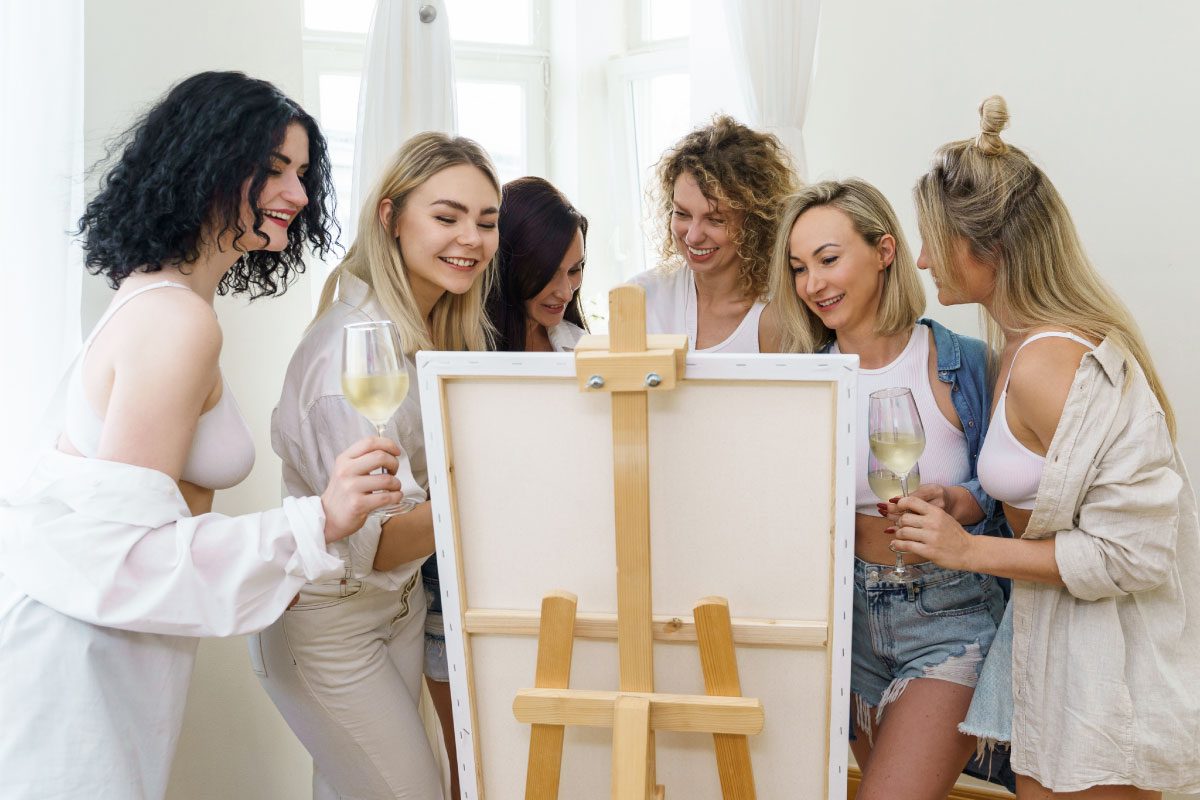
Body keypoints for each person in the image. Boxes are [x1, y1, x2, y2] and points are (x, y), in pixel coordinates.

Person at [0, 71, 403, 800]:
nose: (300, 195)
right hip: (84, 657)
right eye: (274, 169)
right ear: (207, 165)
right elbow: (125, 554)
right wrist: (319, 520)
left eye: (304, 172)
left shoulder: (162, 298)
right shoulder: (177, 320)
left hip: (117, 642)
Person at [894, 96, 1200, 798]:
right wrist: (971, 503)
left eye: (931, 240)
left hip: (1106, 676)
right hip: (1057, 656)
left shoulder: (1049, 364)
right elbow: (1055, 499)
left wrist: (965, 552)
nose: (919, 258)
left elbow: (1134, 552)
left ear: (988, 248)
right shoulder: (1022, 344)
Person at [257, 132, 501, 800]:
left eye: (487, 221)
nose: (472, 239)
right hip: (331, 626)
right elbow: (379, 541)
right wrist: (493, 480)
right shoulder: (351, 357)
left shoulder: (418, 332)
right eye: (446, 217)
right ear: (391, 218)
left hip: (392, 610)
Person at [770, 178, 1009, 798]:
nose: (813, 284)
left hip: (949, 614)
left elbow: (1016, 490)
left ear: (884, 251)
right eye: (798, 268)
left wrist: (967, 501)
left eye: (828, 259)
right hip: (842, 616)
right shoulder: (802, 380)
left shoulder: (963, 362)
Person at [631, 115, 798, 352]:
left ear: (755, 223)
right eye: (682, 214)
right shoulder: (643, 298)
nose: (693, 236)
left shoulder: (778, 315)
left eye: (716, 220)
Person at [486, 176, 589, 352]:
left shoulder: (581, 345)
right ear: (506, 266)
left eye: (573, 270)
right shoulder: (460, 346)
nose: (566, 294)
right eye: (548, 274)